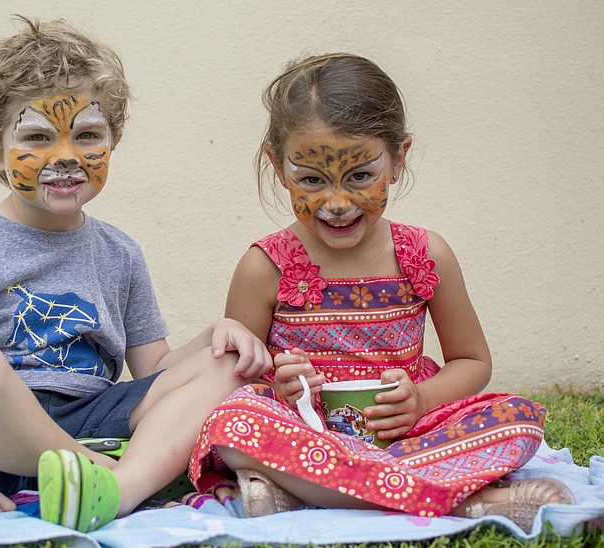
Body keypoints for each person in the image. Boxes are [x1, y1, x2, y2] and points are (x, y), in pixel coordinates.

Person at [0, 16, 271, 533]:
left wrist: (216, 336)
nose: (65, 157)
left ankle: (114, 494)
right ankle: (102, 472)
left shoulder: (120, 252)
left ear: (114, 140)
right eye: (36, 136)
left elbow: (154, 373)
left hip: (91, 415)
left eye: (87, 135)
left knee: (228, 365)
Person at [188, 53, 574, 534]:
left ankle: (304, 495)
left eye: (360, 176)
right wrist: (282, 384)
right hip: (307, 433)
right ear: (277, 165)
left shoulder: (425, 253)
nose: (337, 203)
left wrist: (421, 399)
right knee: (235, 425)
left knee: (514, 418)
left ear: (397, 159)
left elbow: (472, 362)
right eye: (311, 180)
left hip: (406, 433)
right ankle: (462, 503)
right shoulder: (264, 266)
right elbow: (236, 378)